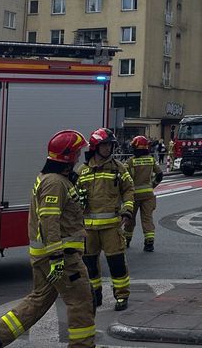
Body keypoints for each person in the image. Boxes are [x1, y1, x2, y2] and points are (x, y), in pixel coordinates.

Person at [0, 131, 95, 348]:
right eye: (76, 153)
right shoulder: (55, 183)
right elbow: (50, 220)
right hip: (62, 258)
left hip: (47, 257)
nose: (79, 157)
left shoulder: (55, 180)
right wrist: (57, 256)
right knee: (81, 301)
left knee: (39, 299)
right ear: (67, 157)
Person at [78, 128, 134, 311]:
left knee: (117, 263)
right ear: (95, 147)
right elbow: (73, 197)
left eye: (110, 145)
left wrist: (127, 211)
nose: (108, 148)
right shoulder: (82, 171)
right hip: (88, 229)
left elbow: (128, 190)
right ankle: (95, 295)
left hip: (111, 226)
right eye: (104, 145)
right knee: (90, 266)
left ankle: (121, 296)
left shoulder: (119, 168)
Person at [124, 136, 163, 252]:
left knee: (130, 219)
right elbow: (160, 175)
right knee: (147, 219)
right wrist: (152, 185)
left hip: (133, 195)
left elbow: (124, 177)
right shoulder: (151, 160)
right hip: (148, 195)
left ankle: (127, 240)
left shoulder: (131, 161)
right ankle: (149, 243)